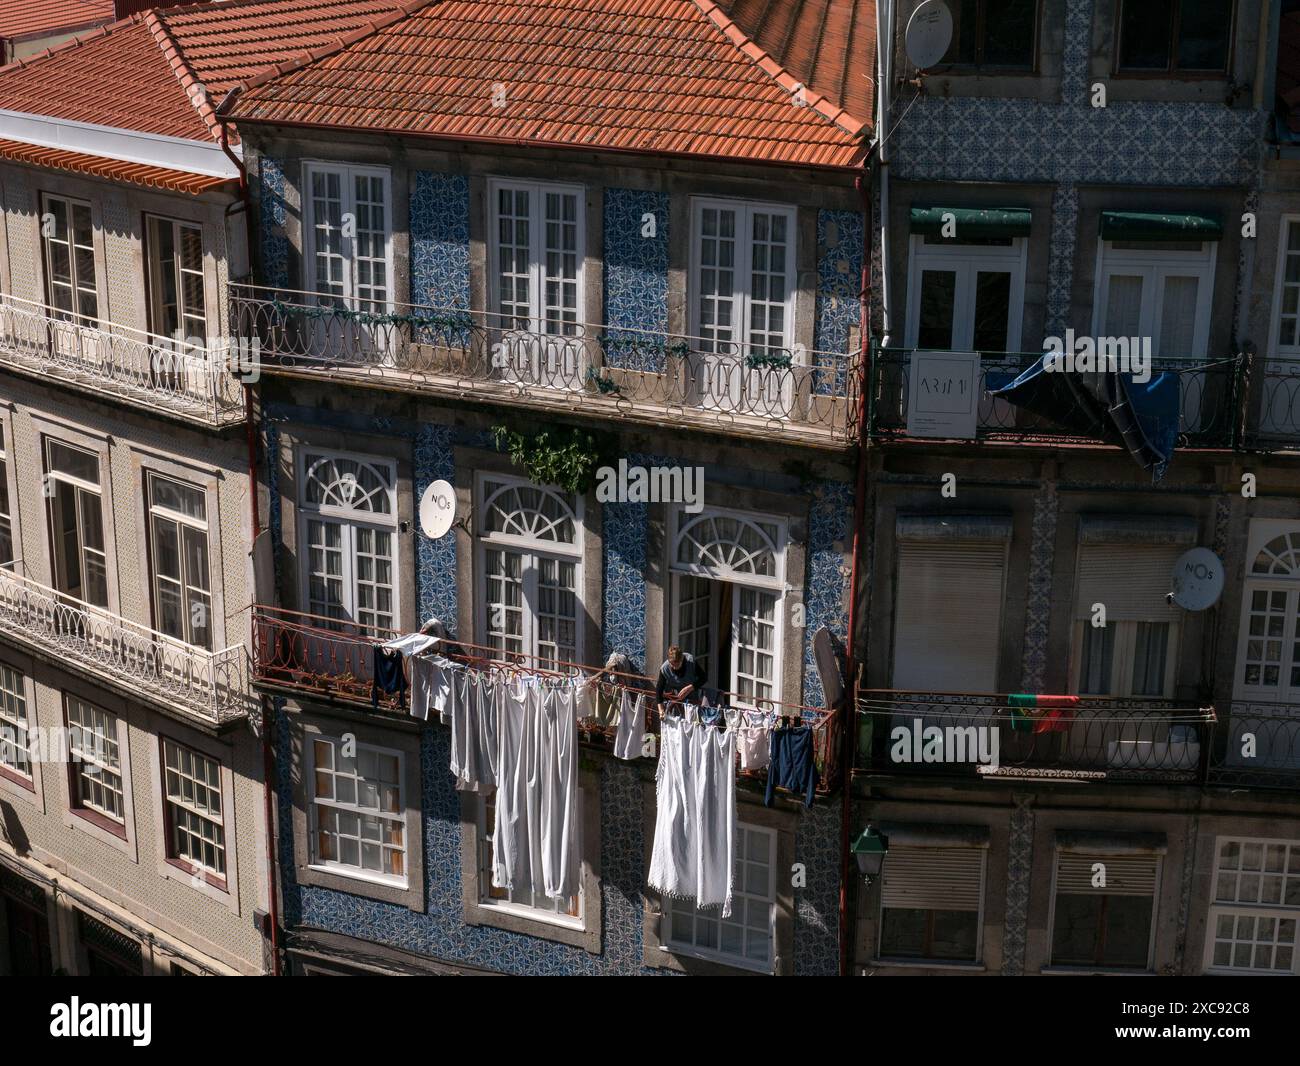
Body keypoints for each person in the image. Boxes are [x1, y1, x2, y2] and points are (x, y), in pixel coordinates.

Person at [655, 644, 705, 717]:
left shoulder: (690, 661)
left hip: (692, 701)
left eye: (677, 665)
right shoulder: (664, 668)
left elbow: (703, 678)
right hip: (675, 702)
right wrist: (661, 710)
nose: (674, 668)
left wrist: (690, 688)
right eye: (672, 665)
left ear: (682, 659)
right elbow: (659, 690)